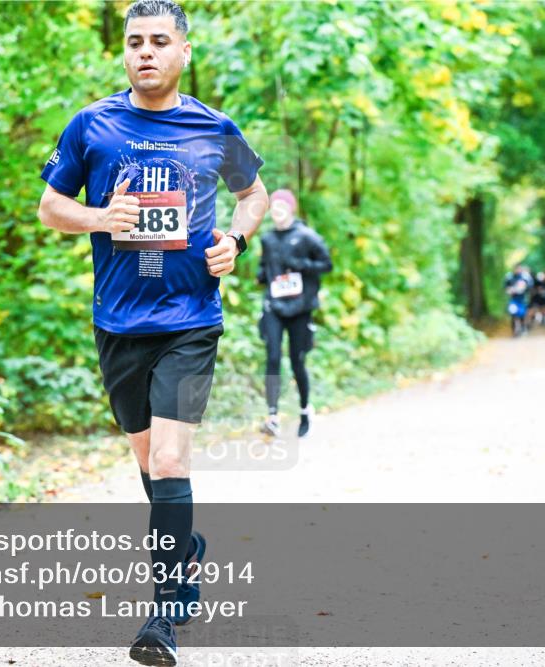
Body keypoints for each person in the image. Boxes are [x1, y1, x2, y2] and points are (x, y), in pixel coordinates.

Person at [37, 1, 268, 663]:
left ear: (183, 52)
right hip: (118, 320)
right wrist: (101, 218)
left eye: (159, 41)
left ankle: (161, 615)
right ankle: (186, 546)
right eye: (135, 41)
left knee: (170, 460)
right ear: (124, 51)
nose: (146, 51)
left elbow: (253, 194)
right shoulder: (94, 125)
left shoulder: (213, 126)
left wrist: (237, 238)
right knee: (149, 462)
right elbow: (51, 206)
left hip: (191, 318)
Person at [256, 189, 332, 438]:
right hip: (274, 306)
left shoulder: (307, 236)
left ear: (291, 209)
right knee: (273, 357)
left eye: (281, 206)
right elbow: (264, 267)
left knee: (297, 361)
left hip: (300, 308)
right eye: (273, 207)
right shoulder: (267, 239)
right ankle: (273, 416)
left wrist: (303, 266)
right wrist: (262, 276)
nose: (276, 211)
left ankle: (304, 411)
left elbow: (327, 265)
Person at [503, 264, 531, 337]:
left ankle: (522, 328)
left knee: (522, 314)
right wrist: (510, 290)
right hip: (513, 300)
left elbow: (529, 287)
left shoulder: (525, 277)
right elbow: (506, 288)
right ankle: (514, 330)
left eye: (519, 269)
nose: (517, 270)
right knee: (513, 314)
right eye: (516, 269)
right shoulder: (509, 277)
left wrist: (523, 288)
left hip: (522, 299)